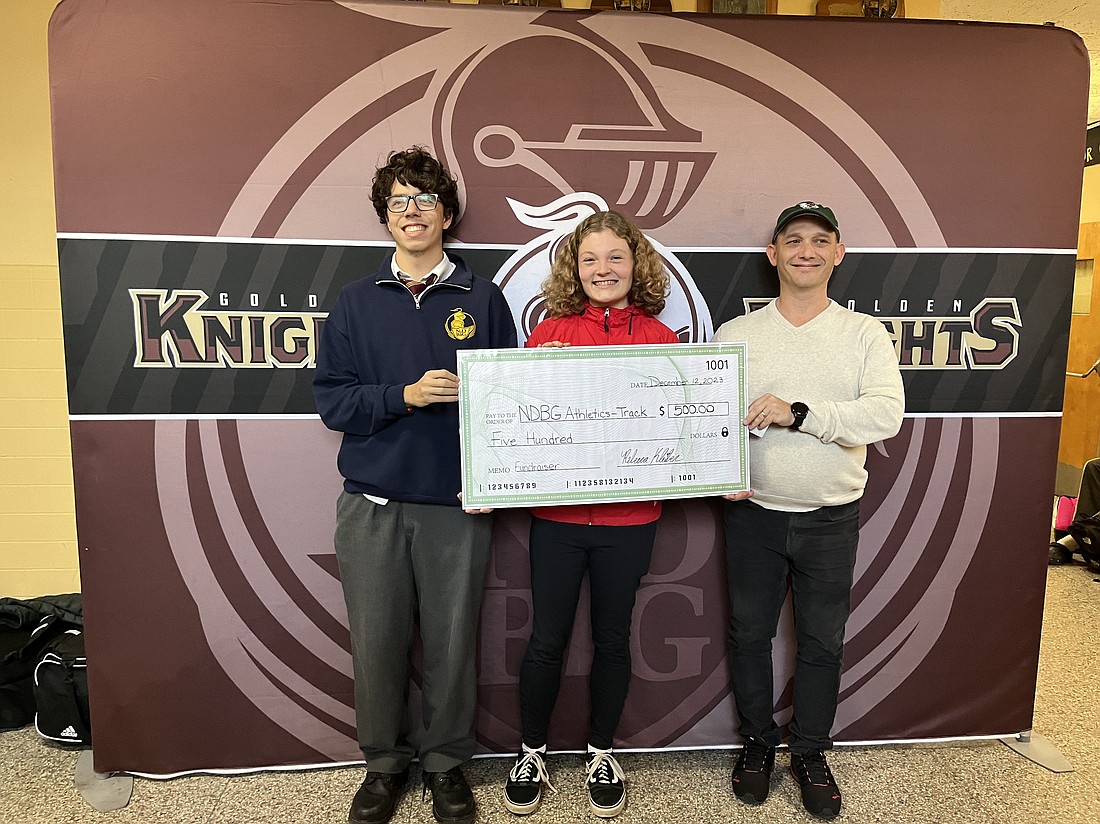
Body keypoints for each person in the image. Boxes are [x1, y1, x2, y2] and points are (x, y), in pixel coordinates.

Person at [313, 146, 517, 824]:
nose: (412, 211)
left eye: (424, 199)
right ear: (385, 217)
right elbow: (334, 404)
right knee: (376, 641)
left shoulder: (482, 297)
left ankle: (446, 764)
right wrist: (404, 394)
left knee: (454, 642)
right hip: (371, 503)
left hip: (456, 504)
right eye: (399, 201)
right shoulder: (352, 302)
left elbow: (507, 405)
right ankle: (382, 764)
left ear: (446, 213)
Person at [712, 202, 904, 820]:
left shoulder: (864, 333)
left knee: (822, 641)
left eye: (820, 241)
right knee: (749, 636)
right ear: (772, 254)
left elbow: (884, 416)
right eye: (792, 241)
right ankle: (758, 746)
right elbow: (710, 423)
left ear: (838, 253)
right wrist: (721, 471)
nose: (806, 251)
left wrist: (800, 412)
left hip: (830, 516)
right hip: (754, 516)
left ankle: (812, 750)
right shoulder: (738, 335)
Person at [501, 211, 679, 819]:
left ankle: (602, 750)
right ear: (574, 270)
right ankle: (532, 751)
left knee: (611, 638)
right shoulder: (548, 334)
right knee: (547, 639)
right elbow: (517, 424)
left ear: (637, 265)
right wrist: (490, 473)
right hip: (559, 517)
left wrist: (720, 468)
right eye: (591, 260)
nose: (603, 270)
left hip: (631, 520)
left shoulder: (662, 339)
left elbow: (680, 430)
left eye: (615, 258)